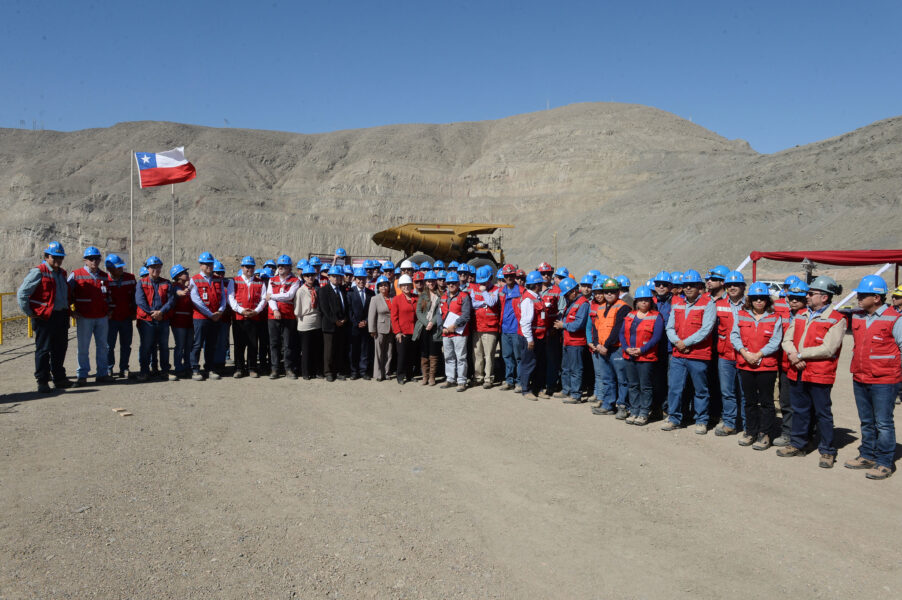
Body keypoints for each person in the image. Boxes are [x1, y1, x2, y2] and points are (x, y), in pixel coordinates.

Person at [777, 276, 846, 468]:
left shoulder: (837, 319)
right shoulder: (800, 315)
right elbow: (787, 339)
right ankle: (798, 443)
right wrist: (792, 355)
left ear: (824, 297)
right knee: (799, 410)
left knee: (822, 413)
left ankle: (827, 450)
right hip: (798, 371)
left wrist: (800, 355)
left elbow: (829, 348)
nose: (807, 296)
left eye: (811, 293)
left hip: (819, 374)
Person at [843, 275, 901, 480]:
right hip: (860, 376)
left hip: (885, 380)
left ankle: (884, 462)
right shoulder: (858, 316)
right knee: (867, 420)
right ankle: (867, 454)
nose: (858, 298)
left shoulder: (895, 318)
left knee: (883, 422)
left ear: (876, 297)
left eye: (862, 295)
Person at [662, 269, 716, 434]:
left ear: (700, 286)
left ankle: (701, 420)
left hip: (698, 355)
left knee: (700, 389)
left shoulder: (708, 303)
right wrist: (677, 342)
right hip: (679, 354)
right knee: (675, 388)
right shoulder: (677, 303)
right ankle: (674, 418)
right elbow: (670, 326)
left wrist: (685, 342)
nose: (688, 288)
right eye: (686, 285)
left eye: (692, 285)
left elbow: (706, 329)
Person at [731, 282, 783, 450]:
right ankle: (751, 431)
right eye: (755, 298)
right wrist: (745, 353)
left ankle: (765, 433)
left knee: (767, 402)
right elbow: (734, 336)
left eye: (762, 298)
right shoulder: (741, 315)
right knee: (750, 401)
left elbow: (776, 341)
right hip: (746, 365)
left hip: (766, 366)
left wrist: (759, 354)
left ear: (767, 300)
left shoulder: (775, 318)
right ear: (750, 300)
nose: (759, 301)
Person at [17, 241, 72, 392]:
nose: (58, 260)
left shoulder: (62, 273)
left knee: (60, 348)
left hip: (61, 316)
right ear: (46, 256)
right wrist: (31, 313)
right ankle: (42, 380)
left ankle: (59, 378)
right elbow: (22, 294)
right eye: (54, 257)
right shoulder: (39, 271)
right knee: (43, 349)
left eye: (60, 257)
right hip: (45, 318)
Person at [68, 245, 114, 386]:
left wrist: (110, 310)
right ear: (85, 260)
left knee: (103, 346)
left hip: (101, 317)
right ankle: (82, 375)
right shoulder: (76, 275)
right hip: (84, 317)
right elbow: (67, 293)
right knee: (83, 347)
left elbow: (109, 295)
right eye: (90, 259)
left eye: (96, 258)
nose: (94, 261)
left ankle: (102, 373)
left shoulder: (104, 276)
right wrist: (71, 311)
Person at [620, 286, 664, 425]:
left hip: (646, 357)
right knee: (633, 385)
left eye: (646, 300)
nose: (644, 303)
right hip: (630, 356)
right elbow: (622, 334)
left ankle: (644, 412)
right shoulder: (630, 315)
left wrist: (642, 350)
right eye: (641, 300)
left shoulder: (656, 316)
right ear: (636, 302)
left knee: (645, 385)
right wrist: (626, 348)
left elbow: (656, 337)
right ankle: (634, 411)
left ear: (651, 302)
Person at [588, 278, 631, 417]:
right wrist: (596, 344)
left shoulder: (623, 307)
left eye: (613, 291)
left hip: (616, 348)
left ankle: (623, 406)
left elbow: (618, 329)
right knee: (607, 378)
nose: (609, 294)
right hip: (602, 349)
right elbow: (596, 327)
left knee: (622, 379)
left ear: (618, 292)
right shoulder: (600, 308)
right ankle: (608, 405)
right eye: (606, 292)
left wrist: (606, 345)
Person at [773, 281, 808, 445]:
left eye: (798, 298)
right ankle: (787, 432)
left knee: (804, 402)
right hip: (786, 364)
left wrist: (800, 356)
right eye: (791, 298)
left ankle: (806, 433)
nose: (794, 301)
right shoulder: (783, 315)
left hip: (805, 365)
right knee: (786, 401)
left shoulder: (810, 316)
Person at [713, 271, 746, 436]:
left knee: (745, 392)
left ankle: (748, 425)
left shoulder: (751, 304)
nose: (732, 288)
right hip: (725, 355)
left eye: (736, 285)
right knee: (727, 391)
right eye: (729, 285)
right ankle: (730, 423)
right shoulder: (718, 304)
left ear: (743, 287)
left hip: (744, 354)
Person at [135, 255, 175, 381]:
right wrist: (153, 313)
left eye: (158, 267)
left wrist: (161, 312)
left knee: (164, 346)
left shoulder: (166, 283)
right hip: (147, 320)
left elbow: (171, 300)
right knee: (146, 346)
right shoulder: (141, 283)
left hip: (162, 319)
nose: (155, 270)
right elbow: (140, 301)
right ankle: (144, 371)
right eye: (152, 267)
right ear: (147, 268)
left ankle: (164, 371)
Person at [189, 252, 227, 381]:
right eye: (206, 264)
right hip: (201, 318)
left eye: (211, 264)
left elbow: (223, 297)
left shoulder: (218, 279)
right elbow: (196, 300)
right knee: (198, 344)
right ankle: (195, 369)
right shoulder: (194, 279)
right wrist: (210, 314)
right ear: (201, 265)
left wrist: (220, 311)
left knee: (211, 344)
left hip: (215, 317)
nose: (209, 266)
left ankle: (210, 368)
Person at [229, 256, 267, 378]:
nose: (249, 269)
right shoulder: (234, 281)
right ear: (242, 268)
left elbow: (263, 299)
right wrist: (241, 310)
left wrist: (256, 311)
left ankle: (252, 368)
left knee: (253, 344)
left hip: (254, 318)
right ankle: (239, 368)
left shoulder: (260, 282)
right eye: (246, 267)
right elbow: (231, 298)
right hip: (239, 318)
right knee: (239, 345)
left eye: (251, 267)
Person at [554, 277, 589, 403]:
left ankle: (576, 394)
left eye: (566, 295)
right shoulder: (571, 303)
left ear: (573, 291)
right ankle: (566, 390)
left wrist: (563, 325)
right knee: (566, 368)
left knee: (576, 369)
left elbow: (579, 324)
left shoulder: (583, 304)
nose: (565, 297)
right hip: (567, 341)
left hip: (576, 342)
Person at [266, 255, 300, 379]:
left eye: (283, 265)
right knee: (274, 344)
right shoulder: (272, 280)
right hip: (273, 315)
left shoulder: (295, 281)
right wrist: (275, 309)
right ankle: (275, 369)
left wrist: (272, 296)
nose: (280, 267)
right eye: (279, 265)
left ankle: (288, 369)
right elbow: (268, 298)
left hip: (288, 316)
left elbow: (289, 296)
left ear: (289, 267)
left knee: (288, 344)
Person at [104, 253, 136, 379]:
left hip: (126, 318)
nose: (122, 269)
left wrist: (134, 311)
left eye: (122, 267)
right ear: (110, 269)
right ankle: (108, 368)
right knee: (109, 346)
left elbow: (135, 296)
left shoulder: (130, 278)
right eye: (118, 267)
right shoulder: (104, 280)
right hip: (111, 319)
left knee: (126, 345)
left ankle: (124, 368)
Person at [440, 271, 472, 392]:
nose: (451, 285)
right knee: (448, 357)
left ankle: (462, 381)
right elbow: (439, 314)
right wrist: (442, 327)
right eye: (449, 283)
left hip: (459, 333)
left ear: (458, 284)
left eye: (454, 283)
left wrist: (454, 326)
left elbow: (466, 315)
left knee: (461, 357)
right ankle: (450, 379)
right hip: (446, 332)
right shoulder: (443, 297)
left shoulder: (464, 296)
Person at [470, 265, 501, 389]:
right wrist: (484, 302)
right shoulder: (474, 289)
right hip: (477, 326)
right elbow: (473, 304)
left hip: (490, 327)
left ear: (491, 278)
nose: (482, 284)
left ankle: (488, 378)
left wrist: (484, 292)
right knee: (477, 354)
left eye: (485, 281)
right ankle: (478, 377)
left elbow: (492, 302)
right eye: (480, 282)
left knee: (489, 355)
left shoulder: (496, 290)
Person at [319, 265, 351, 381]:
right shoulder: (323, 290)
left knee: (339, 349)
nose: (337, 278)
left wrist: (345, 319)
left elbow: (346, 306)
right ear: (329, 277)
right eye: (334, 276)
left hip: (342, 324)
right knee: (329, 350)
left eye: (339, 276)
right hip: (329, 325)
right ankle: (328, 372)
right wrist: (335, 321)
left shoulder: (342, 289)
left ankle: (338, 371)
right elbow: (325, 309)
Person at [517, 271, 545, 400]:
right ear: (537, 285)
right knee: (528, 363)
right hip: (531, 337)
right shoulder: (528, 299)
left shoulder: (537, 297)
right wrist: (529, 339)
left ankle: (536, 388)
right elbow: (525, 321)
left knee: (537, 363)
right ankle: (525, 389)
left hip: (539, 336)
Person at [294, 264, 324, 379]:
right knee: (306, 350)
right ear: (304, 277)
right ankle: (306, 372)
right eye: (307, 275)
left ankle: (316, 370)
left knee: (317, 349)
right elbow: (297, 310)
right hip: (305, 322)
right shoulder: (300, 291)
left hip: (317, 321)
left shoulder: (317, 289)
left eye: (312, 275)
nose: (310, 277)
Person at [414, 270, 443, 386]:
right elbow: (418, 312)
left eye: (432, 281)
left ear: (435, 282)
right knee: (424, 352)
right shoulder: (423, 295)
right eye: (428, 281)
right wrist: (427, 323)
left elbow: (441, 312)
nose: (430, 283)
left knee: (434, 352)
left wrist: (433, 322)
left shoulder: (441, 296)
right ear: (425, 282)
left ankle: (432, 377)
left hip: (435, 328)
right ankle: (425, 376)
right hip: (424, 328)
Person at [498, 264, 524, 390]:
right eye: (507, 276)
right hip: (505, 329)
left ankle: (519, 382)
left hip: (516, 329)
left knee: (518, 357)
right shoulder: (501, 291)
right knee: (507, 356)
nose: (509, 278)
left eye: (511, 275)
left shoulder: (521, 291)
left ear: (515, 276)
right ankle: (509, 380)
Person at [347, 267, 375, 380]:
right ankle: (354, 371)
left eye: (363, 279)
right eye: (359, 279)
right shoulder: (350, 293)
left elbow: (372, 311)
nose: (361, 281)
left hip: (366, 326)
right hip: (354, 327)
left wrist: (367, 321)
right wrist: (357, 322)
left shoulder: (371, 293)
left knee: (365, 350)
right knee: (354, 350)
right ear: (355, 280)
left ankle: (363, 371)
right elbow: (349, 311)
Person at [168, 264, 194, 380]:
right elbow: (180, 293)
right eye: (184, 273)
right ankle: (178, 368)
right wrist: (189, 288)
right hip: (178, 322)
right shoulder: (175, 287)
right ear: (178, 276)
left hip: (189, 321)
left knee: (189, 346)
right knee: (180, 346)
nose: (187, 274)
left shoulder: (185, 286)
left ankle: (187, 366)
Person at [390, 274, 418, 384]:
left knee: (412, 355)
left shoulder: (416, 298)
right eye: (404, 285)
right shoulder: (397, 299)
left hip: (414, 332)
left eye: (408, 285)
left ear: (412, 286)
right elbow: (394, 317)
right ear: (400, 287)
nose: (406, 287)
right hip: (402, 333)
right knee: (402, 355)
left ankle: (410, 375)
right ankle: (400, 376)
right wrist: (397, 332)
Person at [368, 276, 394, 381]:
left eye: (385, 285)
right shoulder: (375, 299)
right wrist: (372, 329)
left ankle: (387, 373)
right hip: (379, 328)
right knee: (379, 353)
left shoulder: (393, 298)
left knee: (389, 352)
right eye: (381, 285)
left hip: (391, 329)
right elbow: (371, 315)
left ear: (389, 286)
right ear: (378, 287)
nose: (384, 287)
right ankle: (379, 374)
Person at [212, 260, 233, 373]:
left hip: (224, 319)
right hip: (211, 318)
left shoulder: (227, 284)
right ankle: (211, 364)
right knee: (211, 342)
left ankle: (221, 363)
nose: (220, 275)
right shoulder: (209, 283)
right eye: (217, 273)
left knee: (222, 342)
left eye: (222, 273)